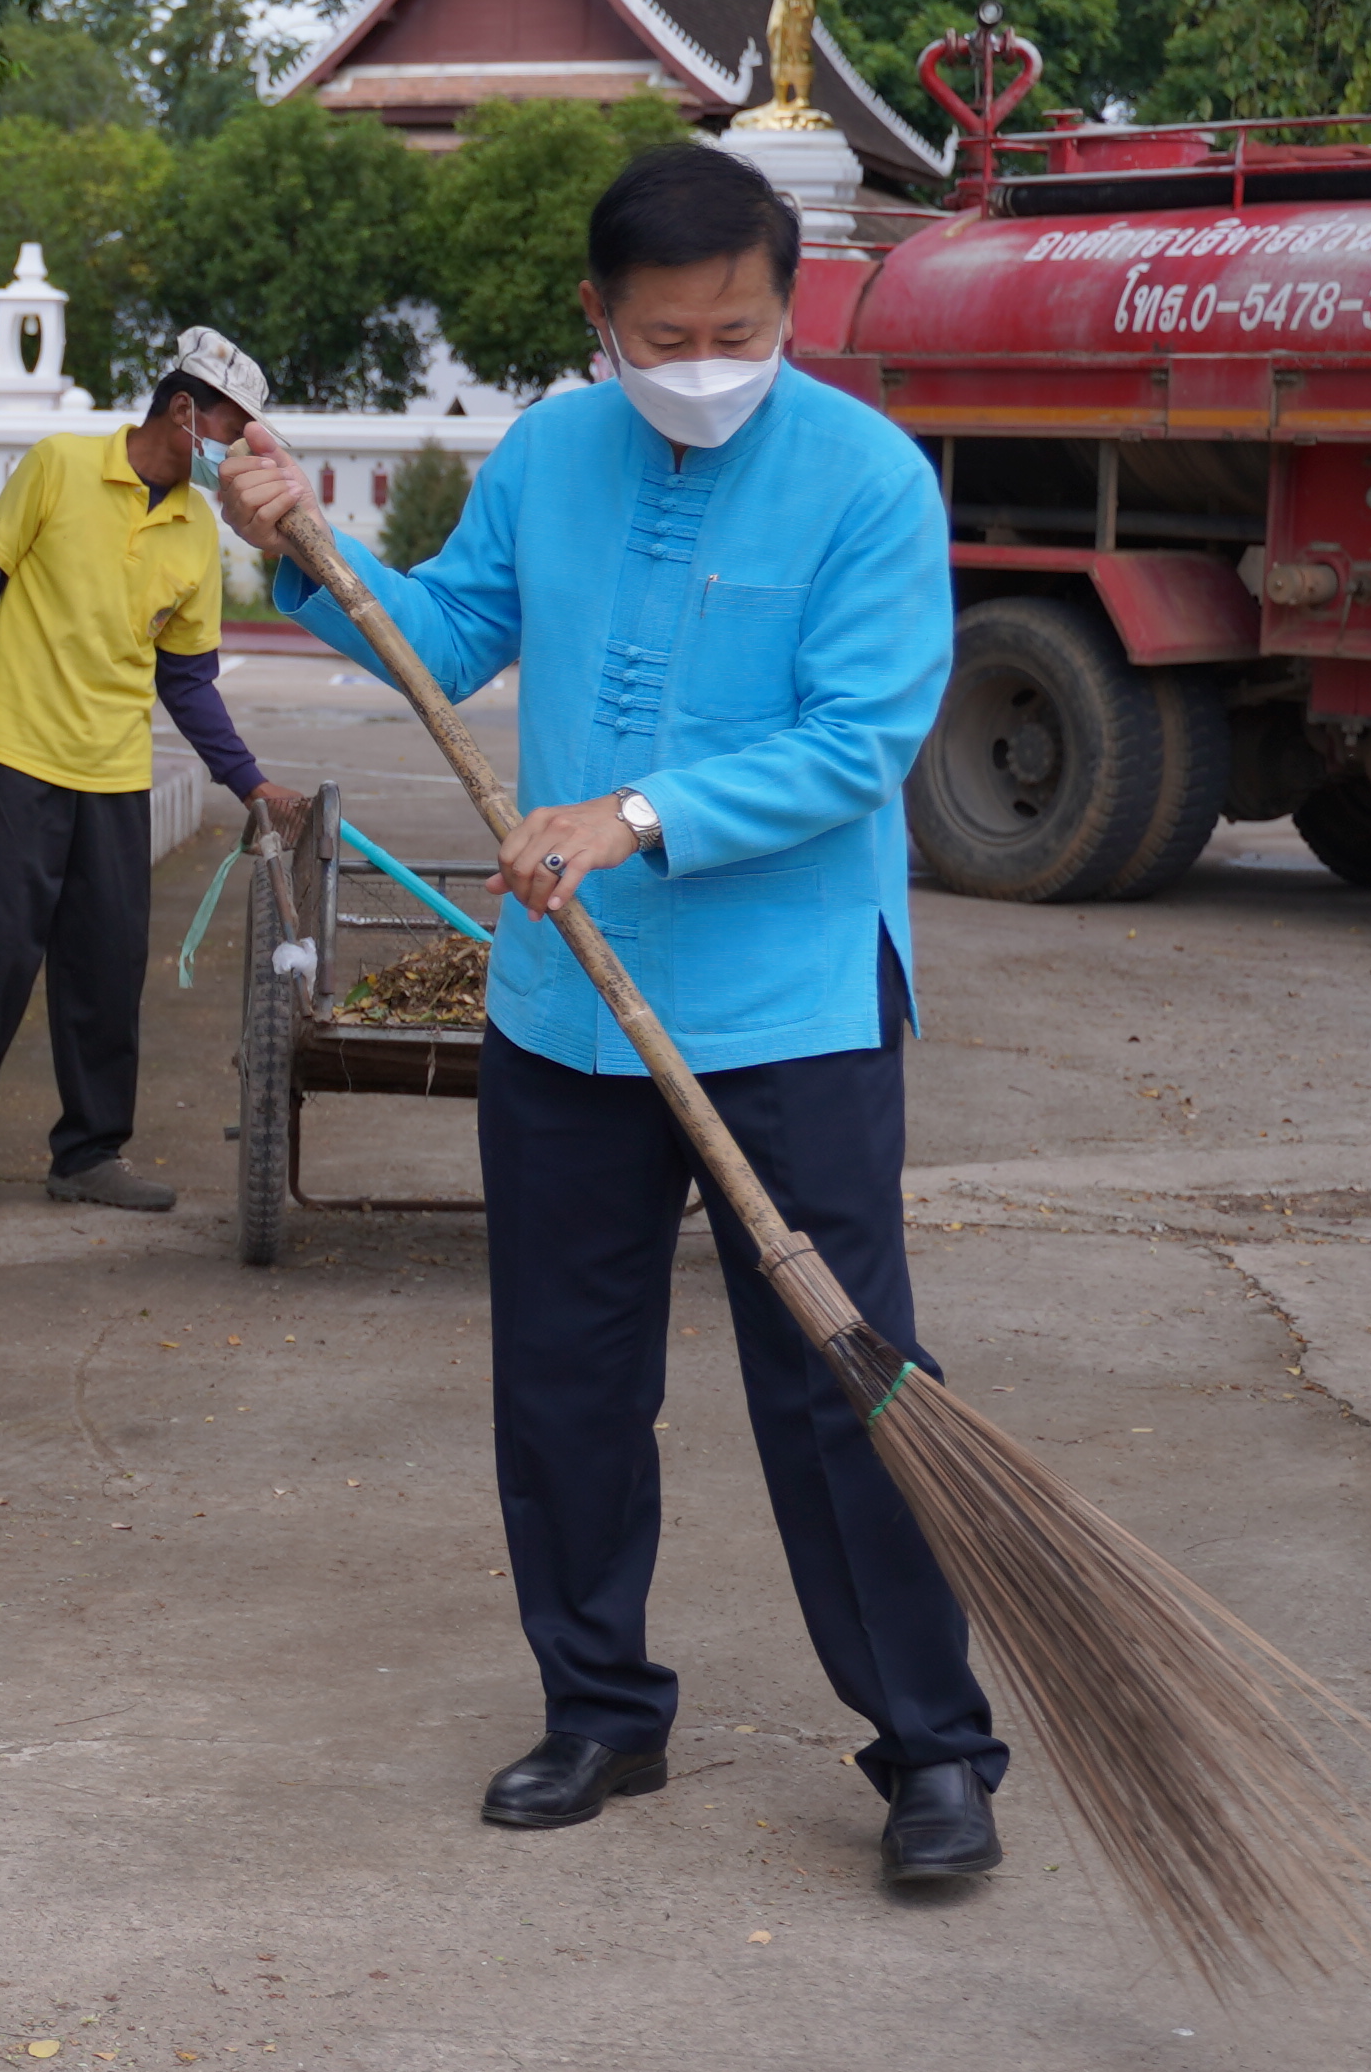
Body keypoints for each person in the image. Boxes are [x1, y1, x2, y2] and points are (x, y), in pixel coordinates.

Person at [219, 142, 1001, 1889]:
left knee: (840, 1381)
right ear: (601, 320)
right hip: (567, 1011)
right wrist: (303, 547)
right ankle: (601, 1706)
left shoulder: (872, 481)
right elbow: (441, 629)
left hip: (791, 1004)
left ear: (794, 307)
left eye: (744, 326)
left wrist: (633, 817)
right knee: (563, 1377)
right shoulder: (553, 454)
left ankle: (932, 1750)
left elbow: (862, 738)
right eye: (671, 331)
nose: (710, 358)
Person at [0, 325, 303, 1216]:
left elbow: (187, 682)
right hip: (11, 756)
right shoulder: (60, 465)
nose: (240, 452)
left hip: (113, 776)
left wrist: (248, 781)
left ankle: (90, 1154)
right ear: (185, 412)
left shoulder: (193, 537)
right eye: (232, 430)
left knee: (105, 974)